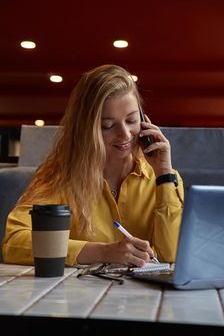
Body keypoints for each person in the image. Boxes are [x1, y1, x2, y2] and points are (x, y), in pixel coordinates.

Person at [2, 64, 184, 267]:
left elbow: (171, 257)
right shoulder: (60, 176)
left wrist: (164, 175)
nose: (125, 134)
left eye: (131, 120)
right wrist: (103, 252)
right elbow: (15, 243)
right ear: (86, 129)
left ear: (143, 119)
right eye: (108, 125)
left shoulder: (165, 178)